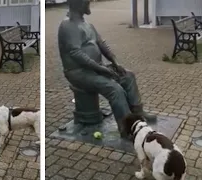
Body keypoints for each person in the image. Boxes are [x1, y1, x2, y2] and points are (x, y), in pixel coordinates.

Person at [58, 0, 156, 137]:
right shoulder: (68, 26)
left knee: (127, 76)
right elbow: (76, 54)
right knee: (115, 89)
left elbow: (102, 44)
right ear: (78, 4)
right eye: (87, 2)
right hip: (78, 72)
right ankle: (126, 128)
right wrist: (101, 69)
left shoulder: (88, 25)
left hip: (95, 69)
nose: (89, 3)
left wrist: (115, 63)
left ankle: (137, 113)